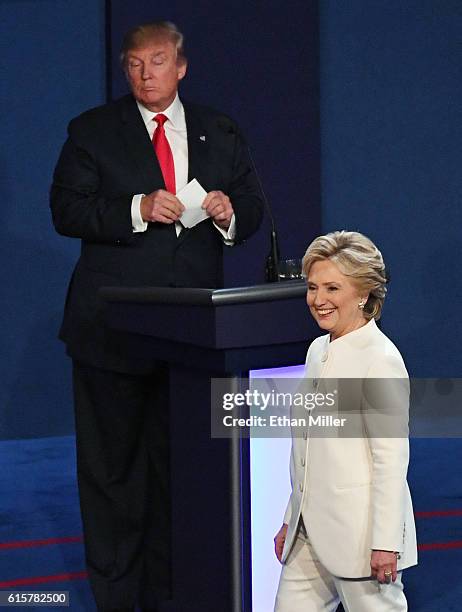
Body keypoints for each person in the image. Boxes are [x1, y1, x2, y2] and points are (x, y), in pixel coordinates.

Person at [50, 21, 263, 612]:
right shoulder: (92, 131)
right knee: (113, 475)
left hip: (193, 337)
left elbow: (251, 205)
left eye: (159, 61)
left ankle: (178, 594)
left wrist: (226, 213)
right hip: (110, 332)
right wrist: (135, 208)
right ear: (126, 69)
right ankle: (119, 598)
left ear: (182, 66)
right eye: (136, 64)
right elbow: (66, 209)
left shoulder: (219, 129)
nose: (147, 74)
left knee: (182, 475)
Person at [273, 231, 417, 612]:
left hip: (360, 540)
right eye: (313, 287)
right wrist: (292, 518)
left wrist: (386, 542)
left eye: (333, 288)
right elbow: (308, 449)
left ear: (364, 294)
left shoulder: (379, 360)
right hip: (308, 535)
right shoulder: (318, 349)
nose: (318, 300)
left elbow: (390, 461)